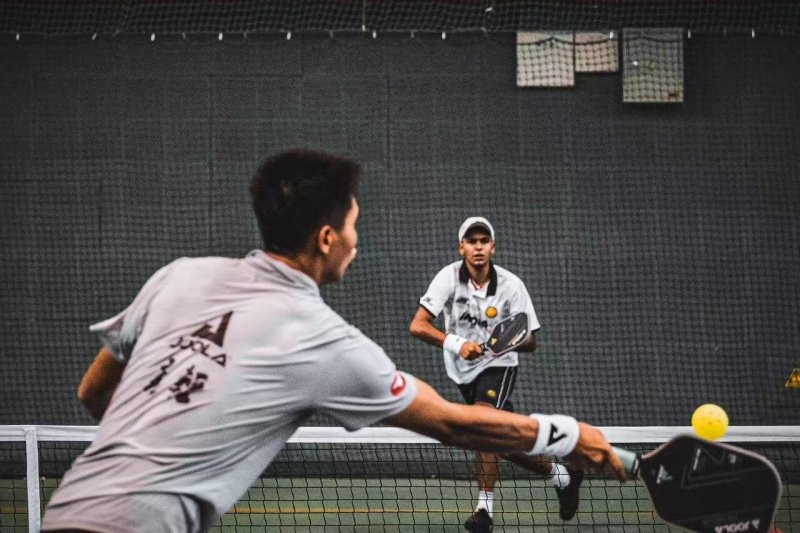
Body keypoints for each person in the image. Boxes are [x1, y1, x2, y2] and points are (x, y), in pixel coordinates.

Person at [42, 149, 624, 533]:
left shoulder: (179, 275)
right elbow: (455, 424)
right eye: (353, 225)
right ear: (326, 238)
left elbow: (94, 394)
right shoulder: (322, 342)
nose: (356, 239)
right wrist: (570, 433)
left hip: (65, 511)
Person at [409, 216, 583, 532]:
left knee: (482, 421)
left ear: (493, 247)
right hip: (461, 371)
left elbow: (530, 341)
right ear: (462, 247)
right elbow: (418, 326)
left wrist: (508, 342)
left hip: (498, 368)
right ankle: (563, 476)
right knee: (498, 439)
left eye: (483, 241)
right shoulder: (448, 278)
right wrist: (457, 343)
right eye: (472, 241)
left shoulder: (511, 286)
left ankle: (484, 511)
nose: (478, 247)